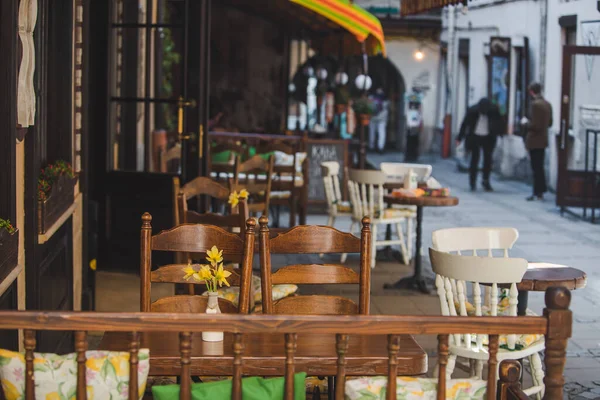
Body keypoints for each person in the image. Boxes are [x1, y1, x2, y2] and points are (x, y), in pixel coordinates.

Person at [456, 97, 503, 192]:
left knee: (488, 160)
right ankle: (472, 182)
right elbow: (465, 124)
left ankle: (486, 181)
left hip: (488, 137)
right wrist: (459, 138)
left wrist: (501, 134)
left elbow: (500, 123)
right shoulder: (472, 111)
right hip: (475, 137)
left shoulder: (493, 111)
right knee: (474, 160)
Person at [522, 82, 553, 201]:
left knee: (535, 167)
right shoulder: (547, 104)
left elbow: (535, 125)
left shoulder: (535, 104)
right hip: (543, 139)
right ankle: (540, 191)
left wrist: (525, 123)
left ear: (531, 92)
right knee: (539, 166)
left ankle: (537, 192)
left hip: (534, 139)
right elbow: (550, 123)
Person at [368, 88, 389, 154]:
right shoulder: (385, 98)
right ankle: (380, 147)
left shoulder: (371, 97)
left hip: (374, 117)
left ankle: (372, 146)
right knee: (381, 133)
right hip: (381, 118)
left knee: (373, 132)